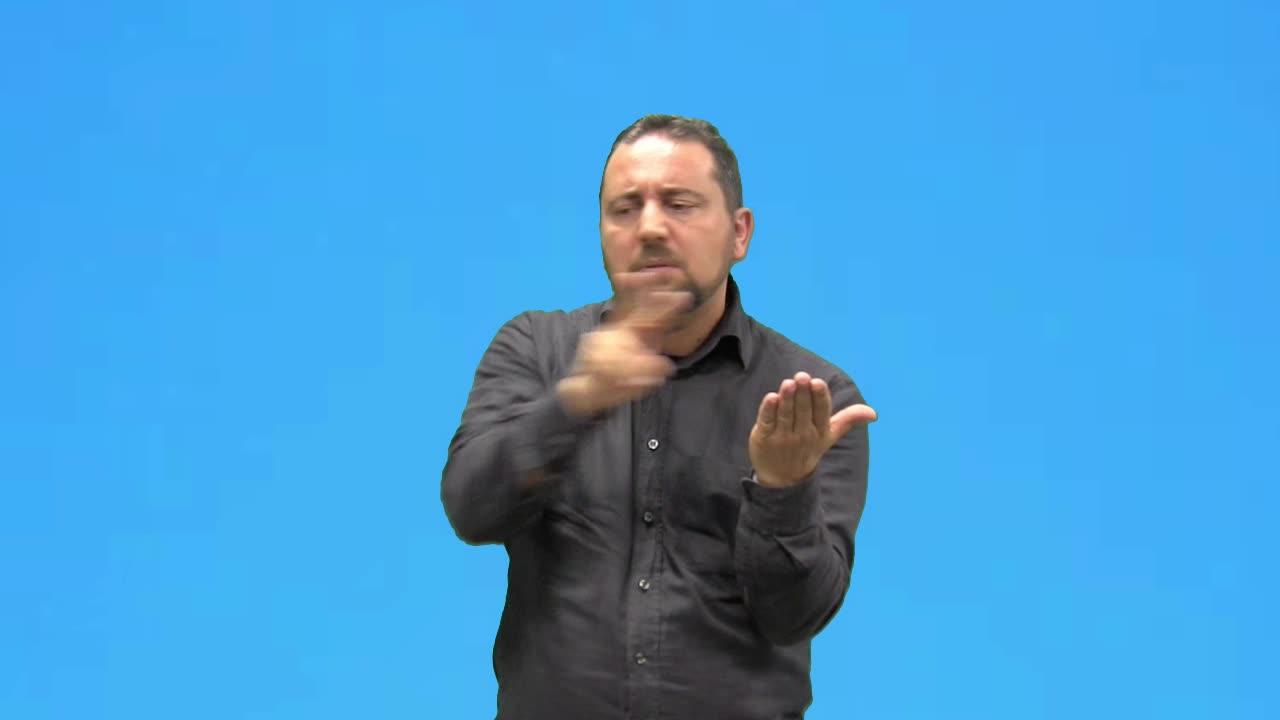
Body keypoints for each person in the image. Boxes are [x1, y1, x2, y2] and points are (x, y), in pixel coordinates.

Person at [441, 114, 877, 720]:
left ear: (739, 233)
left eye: (679, 204)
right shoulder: (537, 351)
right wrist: (575, 403)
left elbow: (796, 614)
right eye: (625, 209)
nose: (649, 227)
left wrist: (782, 488)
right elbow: (471, 510)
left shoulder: (810, 398)